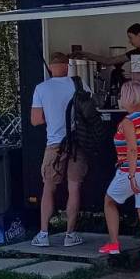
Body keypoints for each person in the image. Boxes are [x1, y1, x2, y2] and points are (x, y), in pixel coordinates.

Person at [100, 81, 140, 273]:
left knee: (109, 202)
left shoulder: (128, 121)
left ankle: (114, 243)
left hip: (133, 171)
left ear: (128, 98)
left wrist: (132, 175)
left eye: (122, 95)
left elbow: (132, 149)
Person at [30, 52, 86, 247]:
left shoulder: (41, 88)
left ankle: (43, 233)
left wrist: (52, 117)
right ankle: (70, 234)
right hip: (77, 143)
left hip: (54, 144)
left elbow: (35, 120)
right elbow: (91, 108)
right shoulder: (79, 84)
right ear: (66, 66)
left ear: (51, 68)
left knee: (48, 187)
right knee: (74, 187)